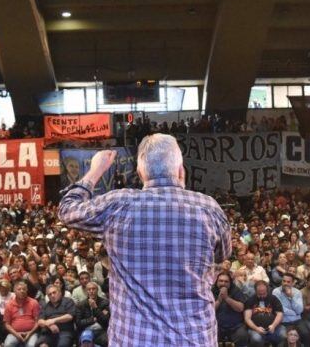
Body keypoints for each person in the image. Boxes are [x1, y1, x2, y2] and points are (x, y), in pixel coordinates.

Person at [58, 134, 231, 345]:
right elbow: (222, 254)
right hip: (193, 339)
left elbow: (67, 210)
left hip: (134, 339)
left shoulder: (118, 204)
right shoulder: (208, 208)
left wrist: (95, 170)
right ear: (180, 170)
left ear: (140, 172)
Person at [272, 273, 310, 347]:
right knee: (284, 336)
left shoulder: (297, 292)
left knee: (307, 334)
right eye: (284, 281)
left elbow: (299, 310)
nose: (285, 283)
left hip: (297, 320)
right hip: (284, 321)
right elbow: (280, 309)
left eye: (288, 282)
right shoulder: (276, 292)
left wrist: (291, 297)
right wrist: (294, 313)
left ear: (293, 283)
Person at [244, 280, 285, 347]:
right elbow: (247, 318)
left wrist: (273, 325)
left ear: (267, 290)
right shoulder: (250, 300)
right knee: (256, 339)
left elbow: (280, 314)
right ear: (255, 291)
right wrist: (256, 328)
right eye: (260, 294)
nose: (262, 296)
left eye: (264, 293)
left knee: (283, 334)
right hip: (255, 329)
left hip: (273, 327)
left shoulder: (273, 299)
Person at [213, 272, 248, 347]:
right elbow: (208, 311)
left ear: (230, 283)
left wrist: (227, 298)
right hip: (216, 326)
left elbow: (241, 308)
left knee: (242, 336)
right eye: (221, 281)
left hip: (236, 326)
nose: (223, 283)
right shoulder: (211, 291)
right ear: (216, 281)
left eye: (226, 281)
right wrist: (219, 301)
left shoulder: (235, 290)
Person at [3, 281, 40, 347]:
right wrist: (17, 334)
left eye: (24, 289)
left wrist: (29, 333)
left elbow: (37, 322)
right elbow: (6, 324)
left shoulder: (34, 302)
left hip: (31, 332)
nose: (22, 291)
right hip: (14, 333)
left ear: (27, 290)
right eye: (19, 289)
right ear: (14, 291)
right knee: (8, 344)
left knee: (31, 345)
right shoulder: (9, 304)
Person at [75, 282, 110, 347]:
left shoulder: (105, 303)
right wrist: (92, 320)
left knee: (107, 341)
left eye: (93, 289)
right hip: (85, 330)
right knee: (85, 340)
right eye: (89, 289)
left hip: (101, 331)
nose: (91, 291)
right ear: (86, 291)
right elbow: (78, 323)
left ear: (97, 290)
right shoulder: (80, 305)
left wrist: (95, 308)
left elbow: (106, 321)